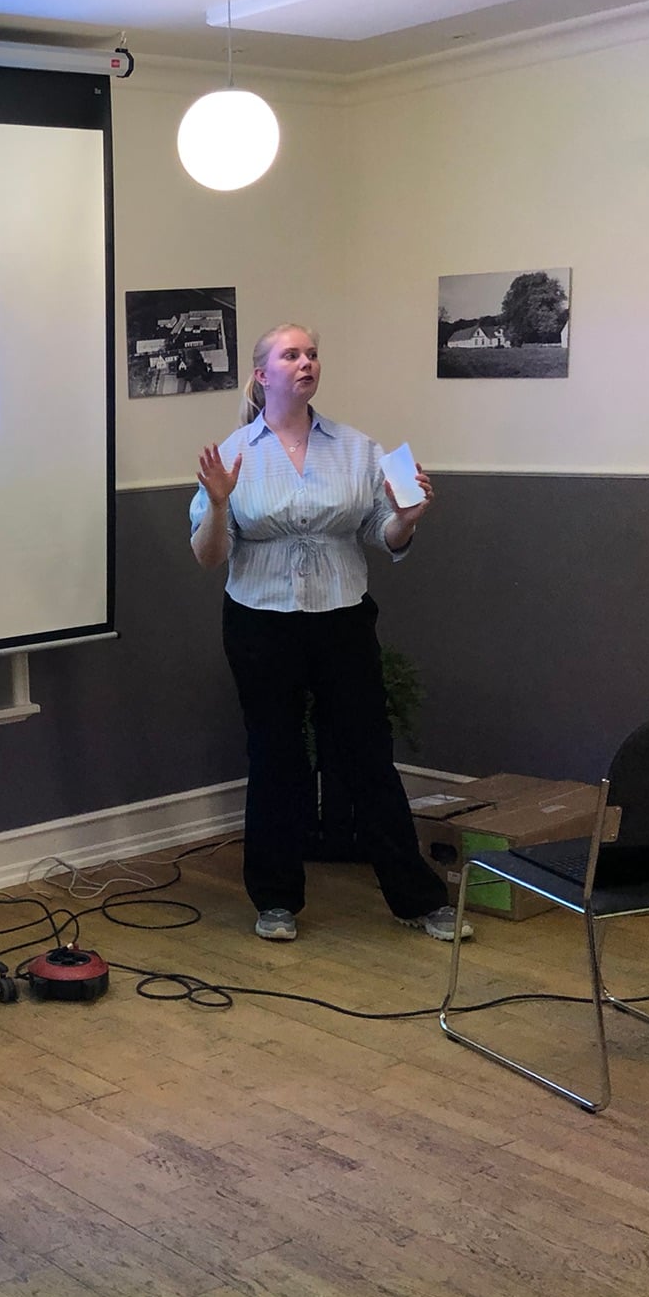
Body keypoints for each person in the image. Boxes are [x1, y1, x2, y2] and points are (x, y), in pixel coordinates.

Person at [189, 323, 470, 946]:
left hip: (342, 618)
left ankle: (417, 899)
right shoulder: (233, 454)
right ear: (262, 375)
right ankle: (275, 900)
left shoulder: (357, 448)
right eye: (291, 355)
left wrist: (407, 518)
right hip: (260, 621)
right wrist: (218, 504)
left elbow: (384, 535)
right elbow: (210, 557)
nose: (306, 363)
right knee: (275, 757)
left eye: (312, 353)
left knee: (367, 754)